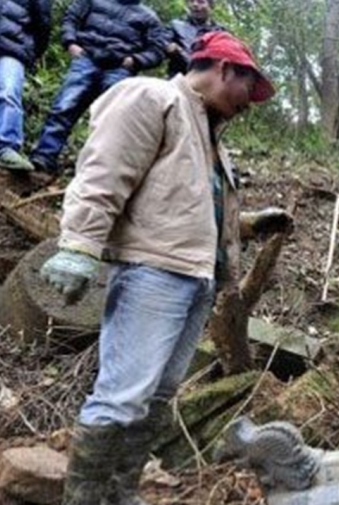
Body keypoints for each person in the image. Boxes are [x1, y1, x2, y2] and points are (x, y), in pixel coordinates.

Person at [39, 31, 277, 504]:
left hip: (194, 277)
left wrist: (244, 227)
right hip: (154, 272)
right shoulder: (153, 97)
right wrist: (80, 244)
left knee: (158, 397)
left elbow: (182, 204)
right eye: (247, 88)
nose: (249, 102)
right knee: (123, 395)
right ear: (224, 69)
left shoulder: (211, 138)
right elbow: (105, 170)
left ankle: (119, 494)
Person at [29, 0, 166, 179]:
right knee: (65, 106)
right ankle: (44, 157)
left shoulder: (149, 17)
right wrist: (71, 43)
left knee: (109, 121)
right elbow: (71, 18)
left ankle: (92, 172)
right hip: (87, 58)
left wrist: (135, 60)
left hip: (119, 67)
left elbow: (157, 50)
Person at [0, 0, 51, 173]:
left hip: (13, 49)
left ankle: (7, 148)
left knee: (9, 92)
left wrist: (30, 52)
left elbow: (43, 26)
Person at [165, 0, 227, 77]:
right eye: (191, 1)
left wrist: (180, 52)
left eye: (200, 2)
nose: (195, 4)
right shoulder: (175, 26)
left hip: (206, 82)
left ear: (211, 6)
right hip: (178, 81)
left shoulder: (220, 32)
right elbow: (161, 46)